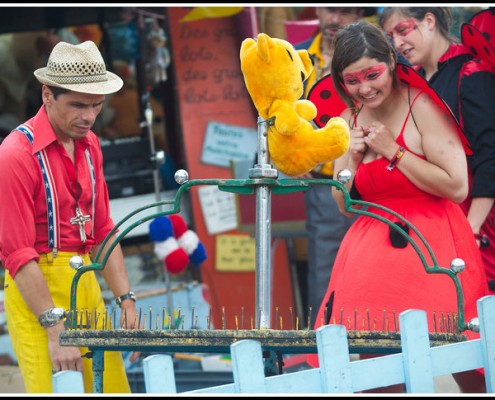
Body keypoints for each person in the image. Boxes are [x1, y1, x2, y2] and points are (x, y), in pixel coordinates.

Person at [307, 21, 489, 393]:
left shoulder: (421, 105)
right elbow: (343, 203)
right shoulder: (347, 120)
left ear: (390, 61)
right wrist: (352, 163)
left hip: (434, 244)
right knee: (371, 355)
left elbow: (457, 185)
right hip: (369, 250)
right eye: (352, 81)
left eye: (372, 74)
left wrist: (395, 151)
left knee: (463, 355)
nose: (365, 88)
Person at [0, 40, 140, 393]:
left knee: (111, 389)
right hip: (38, 294)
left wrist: (127, 299)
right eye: (78, 105)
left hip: (87, 284)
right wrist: (54, 328)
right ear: (47, 95)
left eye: (97, 105)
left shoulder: (90, 143)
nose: (90, 117)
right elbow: (17, 253)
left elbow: (104, 229)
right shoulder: (15, 155)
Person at [379, 7, 495, 297]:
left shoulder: (471, 72)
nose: (398, 43)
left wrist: (472, 228)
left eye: (403, 30)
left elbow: (490, 157)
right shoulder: (411, 82)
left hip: (479, 225)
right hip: (435, 225)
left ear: (429, 21)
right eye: (391, 36)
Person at [293, 6, 375, 328]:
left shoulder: (374, 50)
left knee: (378, 273)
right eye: (330, 9)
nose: (335, 20)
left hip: (374, 176)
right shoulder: (296, 57)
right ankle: (323, 359)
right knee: (324, 278)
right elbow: (274, 113)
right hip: (324, 184)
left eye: (345, 11)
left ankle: (382, 359)